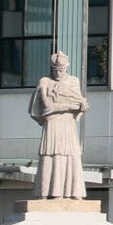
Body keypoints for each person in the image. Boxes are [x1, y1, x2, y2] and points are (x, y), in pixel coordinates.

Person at [29, 51, 87, 200]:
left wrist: (62, 106)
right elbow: (47, 106)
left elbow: (80, 104)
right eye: (55, 70)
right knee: (50, 155)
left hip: (68, 124)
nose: (58, 73)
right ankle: (47, 192)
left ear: (66, 68)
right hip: (52, 124)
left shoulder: (73, 81)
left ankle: (72, 192)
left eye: (61, 70)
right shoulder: (45, 81)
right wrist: (67, 106)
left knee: (71, 155)